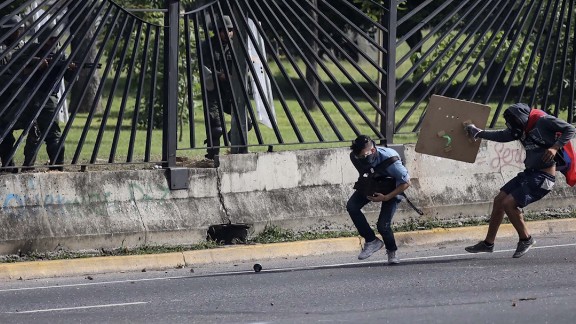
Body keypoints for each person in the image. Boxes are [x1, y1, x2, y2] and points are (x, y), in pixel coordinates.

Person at [464, 103, 576, 258]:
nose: (514, 129)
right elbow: (502, 136)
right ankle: (488, 243)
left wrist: (555, 147)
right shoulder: (520, 130)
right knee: (499, 200)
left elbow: (570, 128)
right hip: (529, 174)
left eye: (515, 124)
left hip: (543, 177)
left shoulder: (543, 121)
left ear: (522, 119)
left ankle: (526, 239)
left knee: (508, 203)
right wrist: (479, 133)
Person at [18, 27, 76, 170]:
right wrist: (38, 67)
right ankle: (28, 165)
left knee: (53, 134)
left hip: (49, 98)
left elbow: (69, 78)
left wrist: (71, 70)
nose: (54, 42)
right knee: (33, 133)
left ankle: (57, 166)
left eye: (55, 38)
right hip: (30, 96)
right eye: (51, 38)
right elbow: (21, 74)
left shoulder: (60, 55)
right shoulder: (33, 52)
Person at [347, 135, 411, 264]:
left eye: (364, 156)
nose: (360, 158)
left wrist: (386, 197)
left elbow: (406, 183)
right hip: (374, 182)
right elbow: (365, 171)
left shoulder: (391, 161)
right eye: (359, 156)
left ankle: (392, 252)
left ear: (373, 150)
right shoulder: (354, 156)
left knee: (383, 225)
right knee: (352, 206)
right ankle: (371, 241)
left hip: (393, 187)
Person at [200, 15, 251, 160]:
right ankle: (212, 155)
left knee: (246, 123)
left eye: (230, 30)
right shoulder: (207, 45)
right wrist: (220, 75)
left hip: (230, 92)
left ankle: (232, 141)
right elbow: (204, 67)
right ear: (217, 31)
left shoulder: (237, 46)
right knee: (216, 128)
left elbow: (244, 66)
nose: (228, 33)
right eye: (224, 30)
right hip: (213, 90)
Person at [0, 15, 40, 172]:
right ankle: (8, 165)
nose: (19, 33)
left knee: (35, 130)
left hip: (23, 99)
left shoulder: (27, 49)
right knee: (5, 134)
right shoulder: (2, 52)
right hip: (5, 101)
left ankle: (29, 165)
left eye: (20, 30)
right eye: (16, 31)